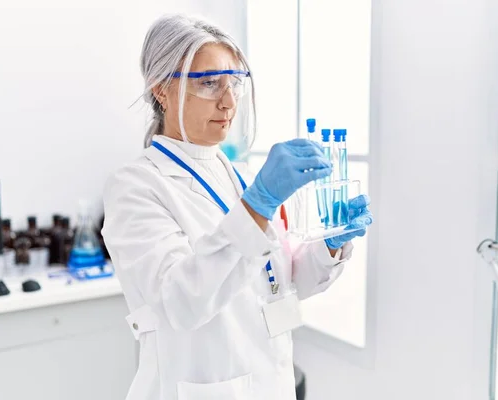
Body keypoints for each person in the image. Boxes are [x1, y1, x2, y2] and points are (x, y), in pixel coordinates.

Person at [102, 14, 373, 400]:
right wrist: (257, 204)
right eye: (209, 83)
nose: (228, 102)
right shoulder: (135, 187)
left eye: (234, 83)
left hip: (270, 384)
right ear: (161, 89)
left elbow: (282, 280)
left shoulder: (237, 175)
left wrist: (330, 244)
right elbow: (181, 302)